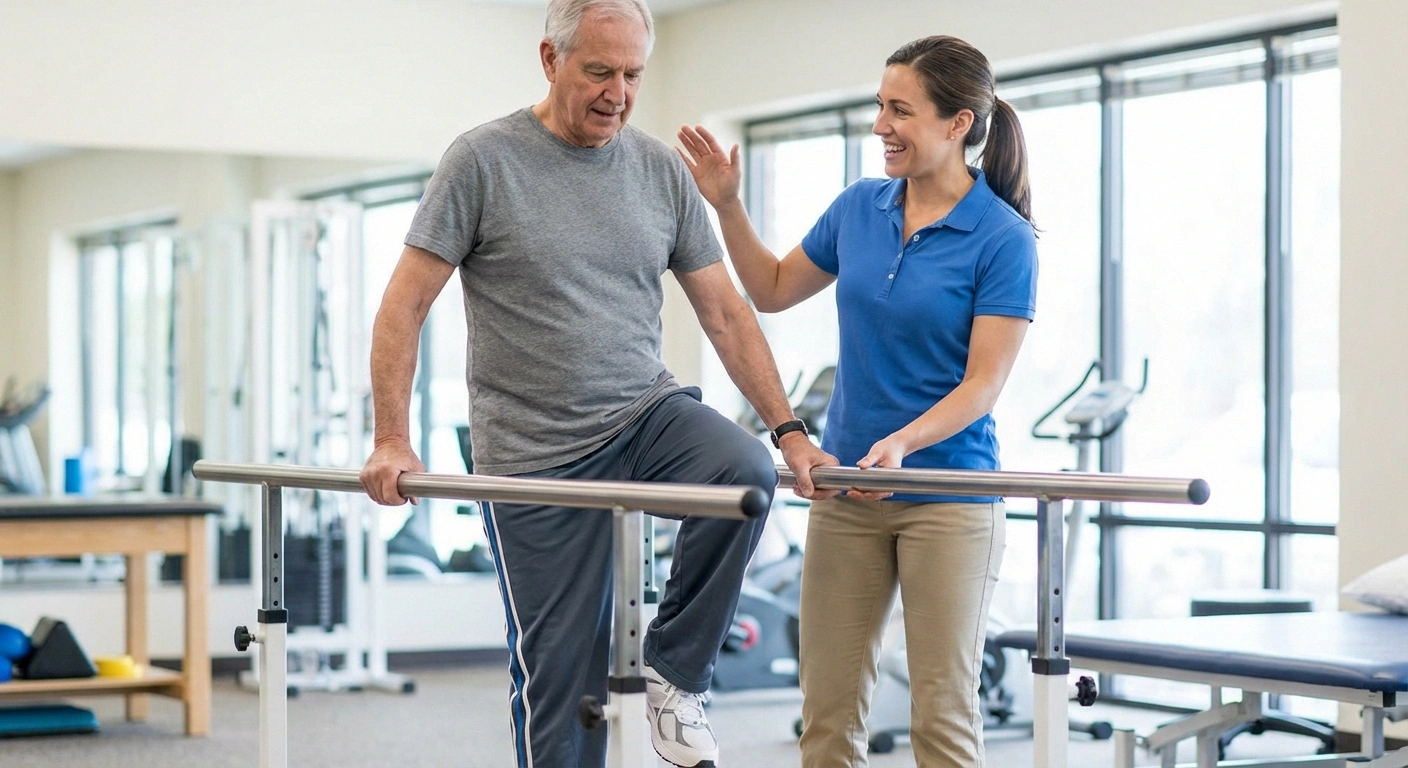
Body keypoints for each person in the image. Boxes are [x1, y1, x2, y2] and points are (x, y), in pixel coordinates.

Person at [358, 1, 834, 766]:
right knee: (565, 686)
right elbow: (403, 305)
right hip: (533, 455)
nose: (618, 92)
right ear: (551, 61)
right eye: (600, 71)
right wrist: (391, 438)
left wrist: (790, 431)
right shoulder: (483, 160)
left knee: (741, 469)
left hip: (643, 414)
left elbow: (725, 313)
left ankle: (676, 675)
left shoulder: (657, 171)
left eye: (635, 74)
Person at [676, 35, 1037, 768]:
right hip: (848, 489)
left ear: (957, 124)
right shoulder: (859, 208)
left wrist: (905, 441)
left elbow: (984, 383)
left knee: (944, 713)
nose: (880, 125)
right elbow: (773, 290)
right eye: (880, 106)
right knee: (828, 711)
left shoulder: (1003, 237)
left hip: (950, 494)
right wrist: (729, 206)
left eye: (900, 110)